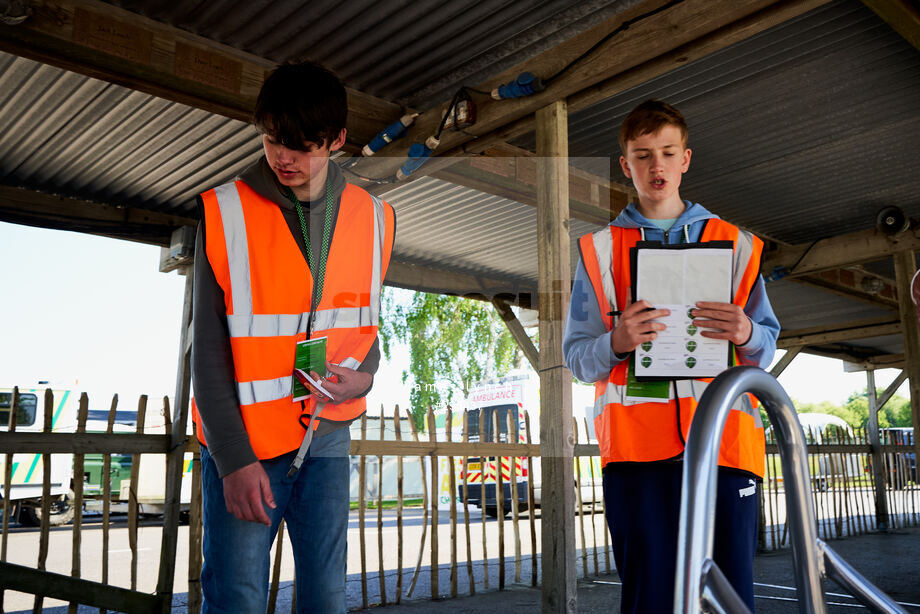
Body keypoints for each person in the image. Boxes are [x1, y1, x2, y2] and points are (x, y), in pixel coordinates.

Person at [191, 61, 395, 614]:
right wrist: (233, 460)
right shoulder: (225, 211)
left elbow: (365, 326)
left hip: (327, 438)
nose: (284, 157)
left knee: (327, 599)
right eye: (274, 140)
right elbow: (206, 355)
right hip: (245, 443)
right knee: (237, 599)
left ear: (337, 141)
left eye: (303, 146)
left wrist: (366, 376)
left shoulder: (374, 218)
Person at [563, 99, 779, 613]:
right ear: (626, 165)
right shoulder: (598, 251)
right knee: (650, 599)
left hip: (727, 451)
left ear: (686, 158)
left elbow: (766, 348)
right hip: (638, 459)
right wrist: (616, 341)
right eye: (642, 155)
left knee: (729, 599)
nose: (655, 166)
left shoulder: (738, 245)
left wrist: (747, 330)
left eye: (666, 153)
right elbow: (576, 359)